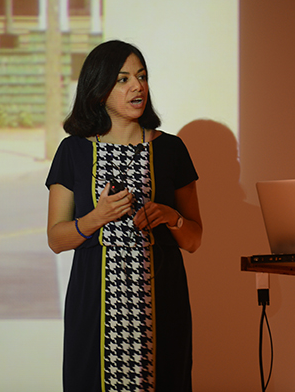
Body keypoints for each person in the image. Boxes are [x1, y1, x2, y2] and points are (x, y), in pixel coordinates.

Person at [46, 40, 202, 391]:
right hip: (95, 302)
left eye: (142, 76)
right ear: (98, 89)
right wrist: (97, 217)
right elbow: (56, 239)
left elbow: (194, 238)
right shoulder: (73, 151)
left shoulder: (171, 149)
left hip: (160, 300)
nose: (137, 86)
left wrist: (170, 217)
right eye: (123, 79)